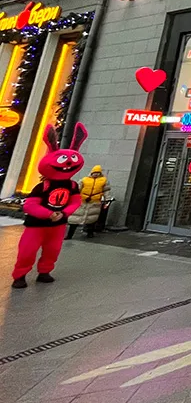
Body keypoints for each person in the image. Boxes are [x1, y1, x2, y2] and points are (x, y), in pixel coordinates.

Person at [11, 123, 88, 288]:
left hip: (58, 225)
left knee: (53, 250)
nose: (68, 163)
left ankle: (44, 272)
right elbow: (30, 205)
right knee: (27, 250)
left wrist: (64, 213)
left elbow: (75, 201)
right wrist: (48, 214)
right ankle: (20, 275)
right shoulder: (43, 186)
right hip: (37, 225)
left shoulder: (72, 185)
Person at [67, 165, 110, 239]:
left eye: (98, 173)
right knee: (75, 218)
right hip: (82, 201)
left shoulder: (104, 181)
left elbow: (106, 191)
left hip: (94, 202)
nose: (96, 174)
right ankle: (70, 234)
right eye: (95, 172)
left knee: (92, 218)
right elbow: (78, 188)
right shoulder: (84, 180)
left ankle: (90, 232)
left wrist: (107, 199)